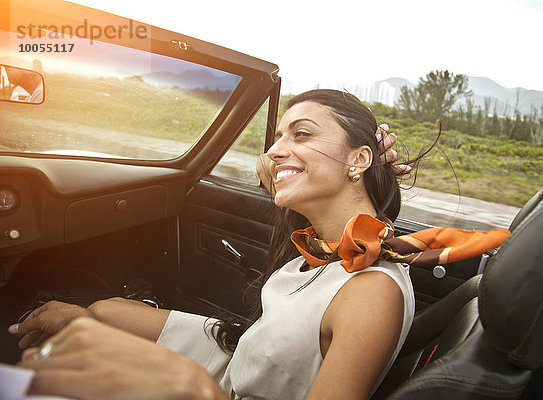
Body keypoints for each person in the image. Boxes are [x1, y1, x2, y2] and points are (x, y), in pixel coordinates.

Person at [11, 89, 508, 400]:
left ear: (357, 159)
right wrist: (338, 163)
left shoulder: (369, 290)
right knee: (99, 308)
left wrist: (190, 390)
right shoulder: (327, 239)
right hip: (244, 355)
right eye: (277, 137)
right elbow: (283, 170)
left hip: (227, 386)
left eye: (302, 132)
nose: (273, 151)